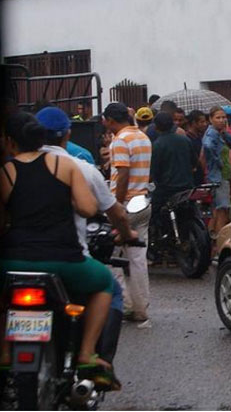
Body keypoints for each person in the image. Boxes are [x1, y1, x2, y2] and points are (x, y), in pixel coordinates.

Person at [0, 112, 118, 384]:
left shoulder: (6, 172)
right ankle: (86, 353)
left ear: (11, 143)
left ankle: (5, 352)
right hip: (64, 258)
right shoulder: (65, 166)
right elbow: (89, 207)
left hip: (14, 260)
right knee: (104, 283)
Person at [36, 106, 138, 366]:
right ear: (67, 135)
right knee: (109, 287)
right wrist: (126, 233)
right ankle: (91, 356)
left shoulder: (12, 167)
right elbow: (110, 212)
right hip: (67, 257)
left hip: (16, 259)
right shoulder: (79, 168)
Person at [102, 102, 153, 327]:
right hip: (142, 202)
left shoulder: (120, 140)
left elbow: (122, 173)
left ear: (111, 120)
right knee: (138, 257)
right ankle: (141, 308)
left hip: (125, 204)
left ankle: (122, 303)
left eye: (106, 121)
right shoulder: (143, 137)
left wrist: (117, 205)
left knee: (109, 256)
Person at [149, 111, 195, 214]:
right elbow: (194, 163)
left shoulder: (158, 144)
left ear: (156, 127)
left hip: (166, 190)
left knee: (154, 213)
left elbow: (154, 171)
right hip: (187, 187)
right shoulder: (185, 140)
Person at [202, 106, 231, 236]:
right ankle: (219, 241)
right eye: (218, 117)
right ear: (211, 119)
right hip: (218, 177)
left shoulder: (220, 133)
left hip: (223, 176)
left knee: (218, 212)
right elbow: (208, 146)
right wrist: (218, 161)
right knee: (222, 210)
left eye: (224, 117)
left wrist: (225, 133)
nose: (222, 120)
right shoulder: (211, 133)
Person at [184, 109, 208, 185]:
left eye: (205, 121)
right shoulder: (187, 139)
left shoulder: (201, 137)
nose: (205, 124)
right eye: (202, 122)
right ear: (194, 123)